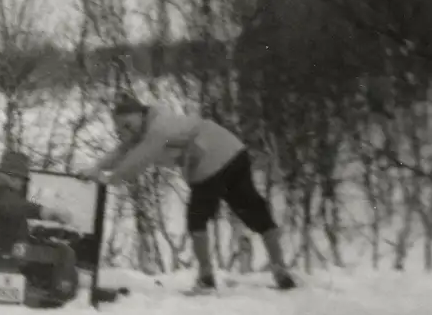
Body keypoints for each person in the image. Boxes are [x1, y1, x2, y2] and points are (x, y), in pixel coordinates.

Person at [87, 93, 296, 292]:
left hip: (210, 158)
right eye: (122, 128)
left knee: (197, 218)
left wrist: (109, 179)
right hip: (233, 151)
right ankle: (280, 268)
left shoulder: (158, 129)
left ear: (140, 116)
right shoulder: (150, 125)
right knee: (251, 208)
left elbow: (137, 160)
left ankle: (206, 277)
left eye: (128, 125)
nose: (126, 131)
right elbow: (124, 150)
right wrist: (97, 167)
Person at [0, 150, 75, 314]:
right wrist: (47, 212)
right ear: (13, 176)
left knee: (30, 250)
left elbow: (4, 222)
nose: (22, 184)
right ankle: (61, 301)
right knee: (63, 252)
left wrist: (35, 231)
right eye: (22, 179)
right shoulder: (1, 190)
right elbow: (14, 207)